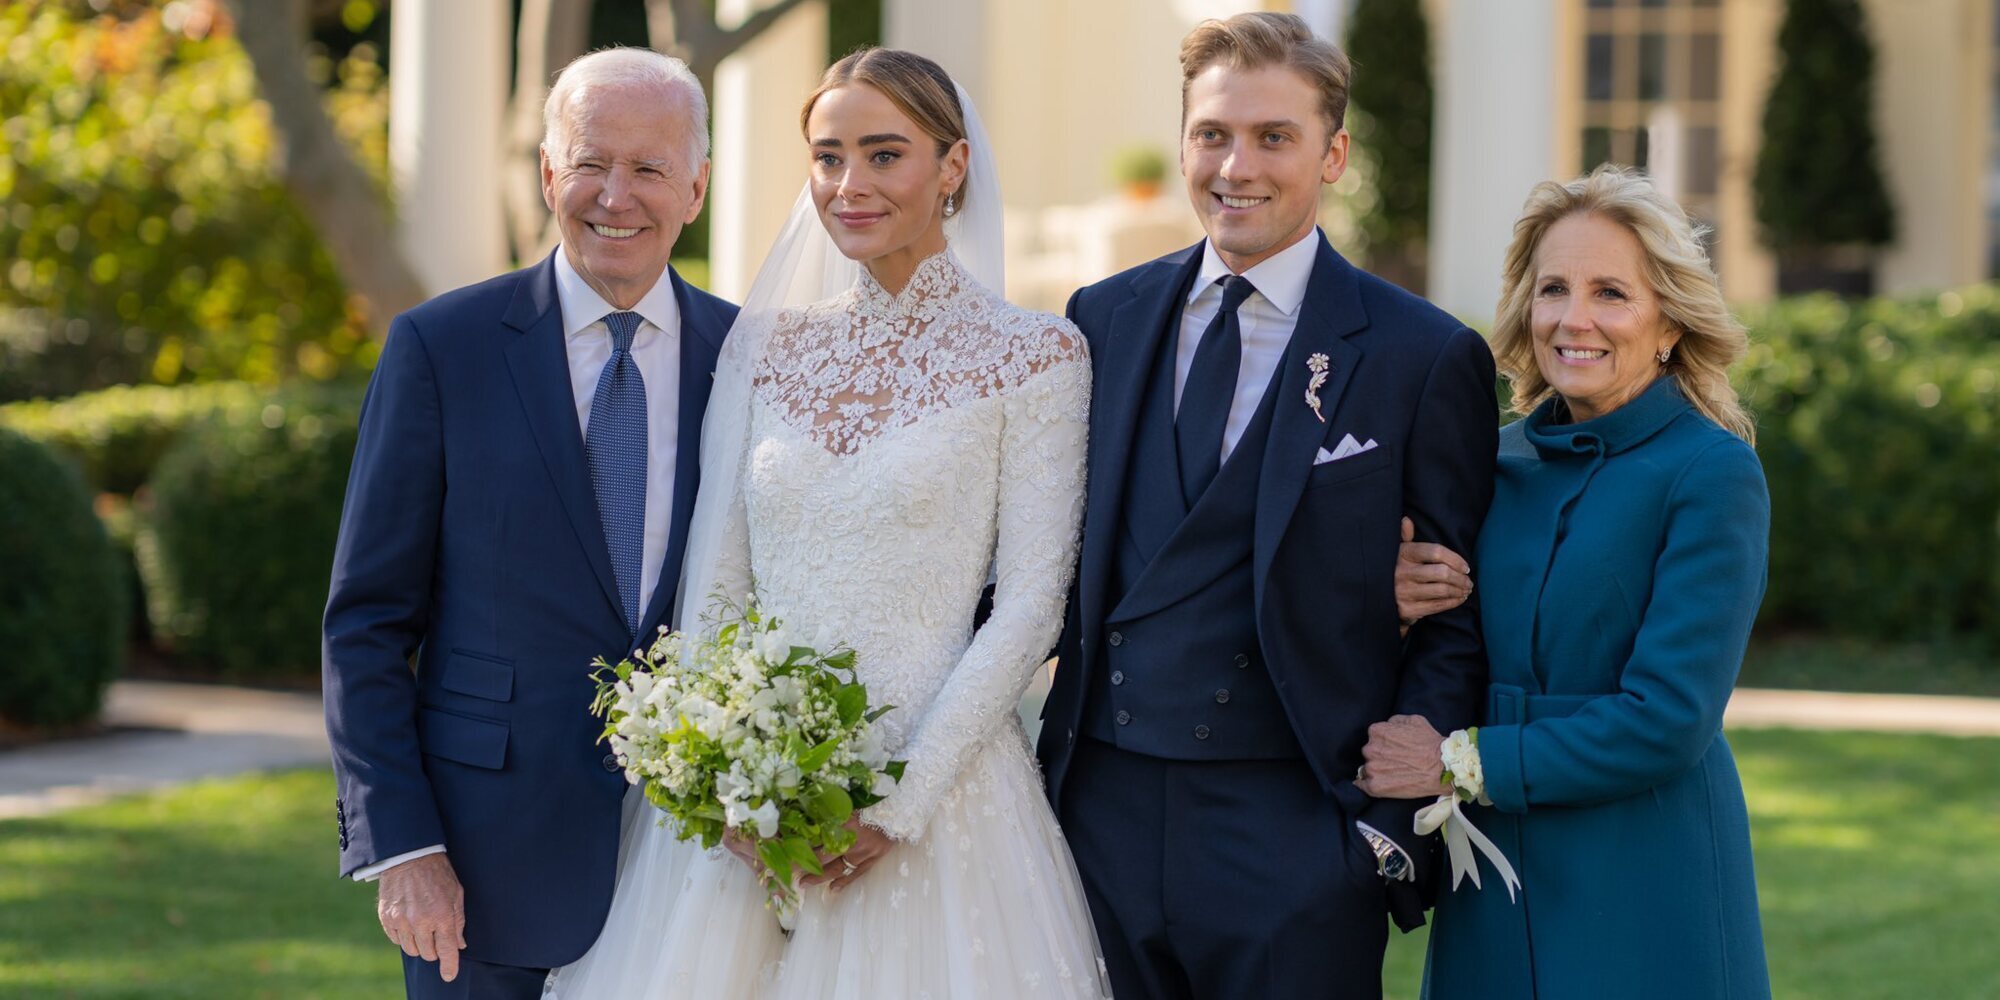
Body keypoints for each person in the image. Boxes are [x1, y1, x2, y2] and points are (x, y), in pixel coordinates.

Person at [546, 48, 1111, 999]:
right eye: (827, 156)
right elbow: (720, 585)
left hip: (944, 800)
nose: (849, 186)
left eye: (884, 155)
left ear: (953, 166)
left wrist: (901, 801)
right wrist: (725, 772)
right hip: (751, 809)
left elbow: (1029, 606)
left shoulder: (1037, 357)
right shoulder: (766, 349)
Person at [1032, 12, 1499, 999]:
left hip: (1293, 830)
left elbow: (1455, 622)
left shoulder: (1421, 355)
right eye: (1212, 134)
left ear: (1330, 154)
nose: (1234, 165)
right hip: (1095, 818)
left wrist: (1376, 839)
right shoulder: (1097, 320)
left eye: (1272, 138)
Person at [322, 48, 734, 998]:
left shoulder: (748, 359)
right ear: (549, 173)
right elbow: (367, 624)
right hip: (479, 868)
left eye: (650, 168)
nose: (615, 195)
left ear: (697, 187)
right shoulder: (441, 348)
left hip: (702, 869)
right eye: (590, 162)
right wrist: (403, 847)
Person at [1361, 166, 1774, 999]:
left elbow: (1668, 718)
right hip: (1493, 882)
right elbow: (1457, 642)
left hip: (1643, 877)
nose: (1573, 319)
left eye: (1611, 293)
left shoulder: (1711, 473)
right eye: (1554, 288)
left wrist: (1458, 762)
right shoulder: (1494, 460)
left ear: (1668, 323)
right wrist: (1398, 602)